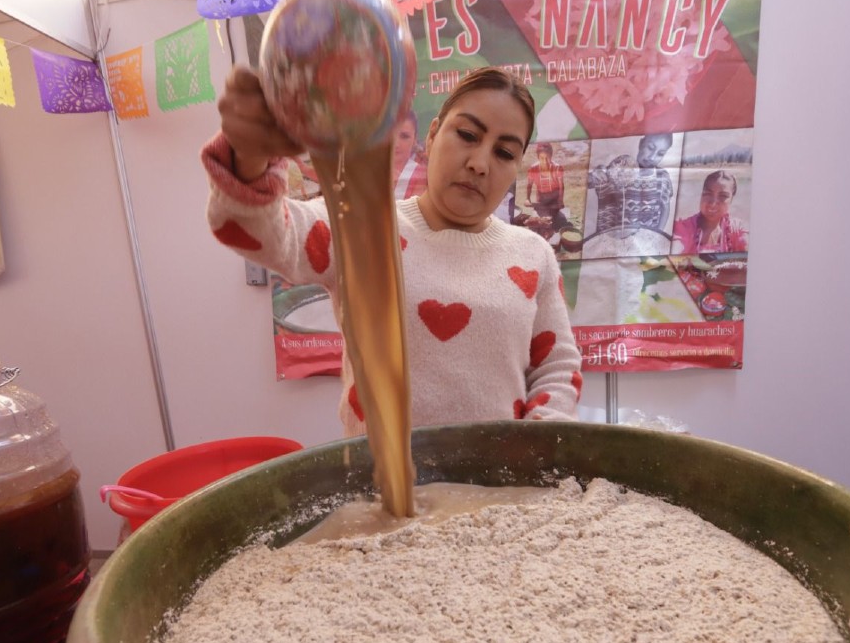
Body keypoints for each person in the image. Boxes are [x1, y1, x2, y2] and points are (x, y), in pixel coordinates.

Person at [204, 66, 582, 435]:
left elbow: (557, 366)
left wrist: (536, 448)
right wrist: (249, 158)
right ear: (432, 136)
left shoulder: (532, 255)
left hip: (501, 489)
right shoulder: (364, 229)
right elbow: (261, 232)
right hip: (384, 488)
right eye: (467, 134)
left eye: (504, 153)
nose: (479, 164)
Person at [587, 132, 674, 236]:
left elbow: (665, 207)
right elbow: (587, 182)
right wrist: (594, 175)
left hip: (643, 243)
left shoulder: (662, 178)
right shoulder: (618, 170)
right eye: (650, 148)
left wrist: (658, 234)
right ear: (641, 144)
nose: (652, 157)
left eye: (660, 153)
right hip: (610, 239)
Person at [672, 170, 749, 254]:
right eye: (708, 194)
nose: (713, 203)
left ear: (731, 200)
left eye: (723, 196)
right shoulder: (684, 229)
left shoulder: (737, 230)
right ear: (702, 195)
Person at [524, 142, 571, 232]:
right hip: (541, 197)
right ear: (538, 157)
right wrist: (527, 199)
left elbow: (561, 186)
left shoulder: (557, 168)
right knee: (541, 220)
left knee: (554, 220)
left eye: (547, 158)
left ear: (551, 156)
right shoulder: (533, 169)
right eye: (542, 158)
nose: (545, 161)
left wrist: (560, 200)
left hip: (554, 197)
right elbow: (529, 185)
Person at [392, 110, 428, 200]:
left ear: (414, 140)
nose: (396, 144)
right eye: (389, 134)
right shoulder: (364, 170)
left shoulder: (423, 176)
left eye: (404, 136)